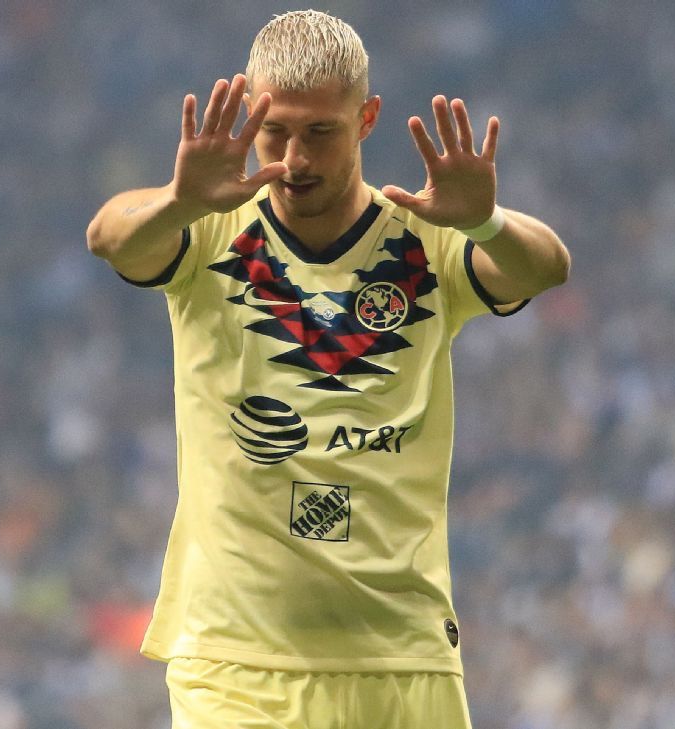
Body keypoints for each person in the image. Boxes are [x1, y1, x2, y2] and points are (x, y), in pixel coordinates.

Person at [86, 9, 569, 727]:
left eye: (320, 132)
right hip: (235, 661)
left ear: (366, 119)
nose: (295, 159)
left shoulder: (427, 240)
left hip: (402, 656)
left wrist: (484, 221)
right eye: (275, 131)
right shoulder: (206, 231)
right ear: (250, 115)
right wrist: (179, 199)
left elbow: (545, 267)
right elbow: (111, 237)